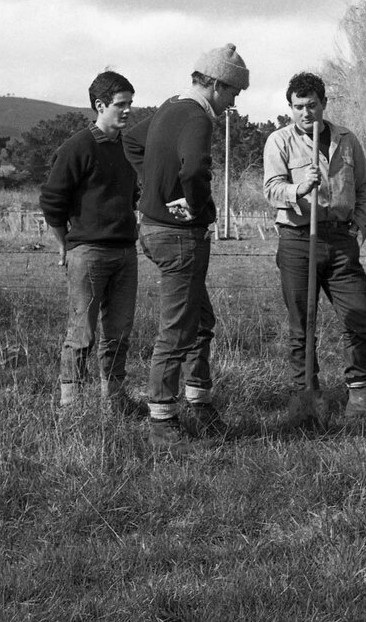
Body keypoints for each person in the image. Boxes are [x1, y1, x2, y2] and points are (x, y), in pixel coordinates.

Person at [123, 44, 249, 456]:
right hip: (179, 235)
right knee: (178, 327)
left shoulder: (169, 107)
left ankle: (198, 400)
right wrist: (195, 204)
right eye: (232, 91)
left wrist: (154, 187)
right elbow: (195, 168)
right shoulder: (197, 116)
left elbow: (131, 141)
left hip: (154, 229)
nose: (234, 101)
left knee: (199, 318)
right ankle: (161, 417)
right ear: (213, 83)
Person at [263, 72, 366, 426]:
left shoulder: (346, 139)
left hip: (340, 238)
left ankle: (359, 390)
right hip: (299, 240)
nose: (305, 113)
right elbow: (271, 189)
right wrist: (299, 188)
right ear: (290, 108)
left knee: (360, 315)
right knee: (303, 324)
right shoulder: (279, 141)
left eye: (312, 105)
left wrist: (359, 226)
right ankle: (307, 398)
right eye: (298, 107)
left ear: (324, 104)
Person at [39, 71, 146, 418]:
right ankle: (71, 407)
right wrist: (63, 245)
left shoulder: (128, 149)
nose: (128, 110)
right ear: (100, 106)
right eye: (121, 104)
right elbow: (52, 201)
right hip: (87, 254)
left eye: (131, 103)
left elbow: (131, 197)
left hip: (125, 254)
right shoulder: (76, 147)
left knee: (118, 333)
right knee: (81, 333)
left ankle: (114, 399)